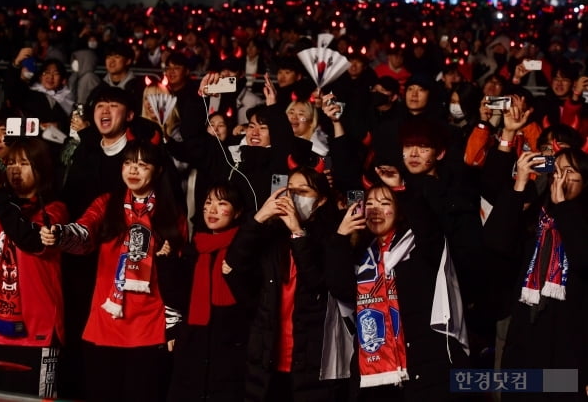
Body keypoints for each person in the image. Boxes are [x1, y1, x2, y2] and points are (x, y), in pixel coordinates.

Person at [40, 139, 188, 402]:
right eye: (129, 162)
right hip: (105, 322)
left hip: (149, 325)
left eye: (142, 164)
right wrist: (61, 234)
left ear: (159, 170)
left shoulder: (171, 213)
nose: (133, 170)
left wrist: (173, 326)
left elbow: (177, 277)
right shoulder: (107, 203)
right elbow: (84, 232)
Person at [324, 180, 470, 402]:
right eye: (370, 203)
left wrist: (405, 189)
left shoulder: (417, 245)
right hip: (372, 374)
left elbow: (430, 233)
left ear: (399, 211)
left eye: (384, 203)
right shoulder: (359, 253)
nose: (375, 210)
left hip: (423, 367)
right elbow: (340, 289)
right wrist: (341, 236)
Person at [223, 165, 345, 402]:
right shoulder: (270, 235)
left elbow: (318, 285)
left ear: (320, 200)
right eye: (290, 190)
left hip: (311, 363)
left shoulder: (330, 237)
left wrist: (298, 233)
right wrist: (259, 218)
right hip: (267, 360)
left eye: (304, 191)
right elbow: (233, 265)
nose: (294, 196)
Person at [0, 138, 68, 398]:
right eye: (10, 163)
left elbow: (27, 238)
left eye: (24, 163)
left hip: (37, 332)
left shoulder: (53, 211)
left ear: (41, 168)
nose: (16, 170)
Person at [483, 147, 588, 401]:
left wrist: (564, 207)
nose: (560, 178)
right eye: (556, 170)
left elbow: (584, 258)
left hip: (568, 348)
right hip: (525, 341)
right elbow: (496, 243)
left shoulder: (581, 220)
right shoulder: (536, 218)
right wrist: (520, 183)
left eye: (570, 172)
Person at [169, 182, 248, 401]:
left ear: (238, 211)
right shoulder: (192, 248)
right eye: (208, 202)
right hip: (193, 347)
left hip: (231, 348)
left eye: (222, 203)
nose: (212, 210)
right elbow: (179, 298)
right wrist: (166, 263)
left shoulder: (243, 250)